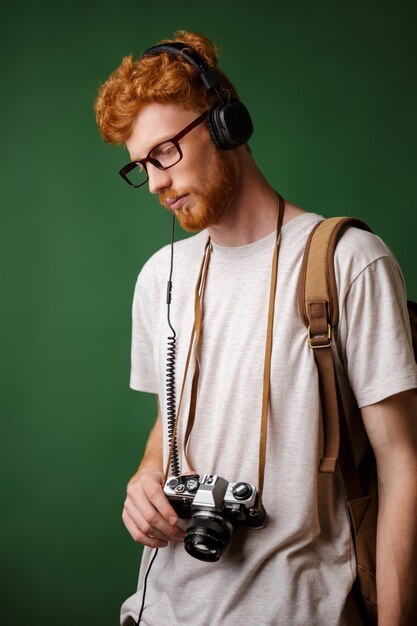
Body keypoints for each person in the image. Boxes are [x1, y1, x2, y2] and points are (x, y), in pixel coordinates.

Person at [94, 31, 417, 626]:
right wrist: (147, 475)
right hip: (159, 611)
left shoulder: (351, 262)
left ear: (226, 125)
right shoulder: (160, 276)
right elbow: (174, 419)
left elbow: (402, 463)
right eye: (142, 166)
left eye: (165, 151)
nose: (158, 183)